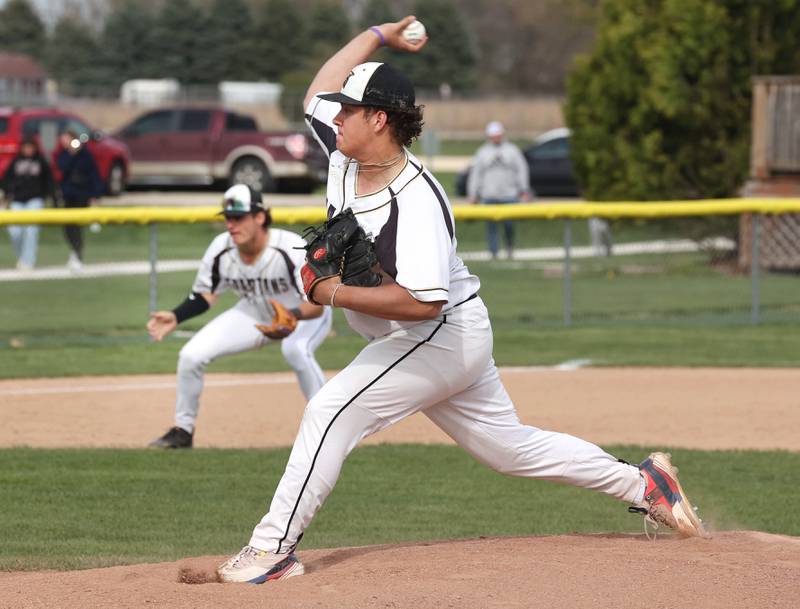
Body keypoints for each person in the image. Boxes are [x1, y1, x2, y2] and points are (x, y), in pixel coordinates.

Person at [217, 16, 708, 585]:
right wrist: (379, 33)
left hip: (436, 335)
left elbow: (424, 303)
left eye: (349, 108)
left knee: (331, 412)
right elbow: (317, 87)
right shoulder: (344, 151)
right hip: (443, 335)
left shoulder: (417, 202)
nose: (336, 112)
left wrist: (331, 292)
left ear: (379, 119)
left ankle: (272, 548)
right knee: (511, 451)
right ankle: (644, 483)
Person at [147, 184, 333, 449]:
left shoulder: (289, 246)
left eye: (238, 217)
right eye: (228, 218)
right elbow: (205, 295)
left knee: (296, 349)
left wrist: (290, 316)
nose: (231, 225)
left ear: (259, 217)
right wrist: (176, 316)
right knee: (190, 355)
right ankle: (183, 431)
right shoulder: (221, 248)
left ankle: (327, 426)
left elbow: (318, 303)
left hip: (305, 314)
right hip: (255, 313)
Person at [467, 120, 530, 260]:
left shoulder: (512, 151)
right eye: (493, 135)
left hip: (509, 196)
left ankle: (509, 248)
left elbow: (522, 170)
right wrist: (473, 194)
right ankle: (493, 253)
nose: (496, 137)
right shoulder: (482, 152)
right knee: (491, 228)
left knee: (509, 226)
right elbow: (476, 175)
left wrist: (523, 189)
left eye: (498, 135)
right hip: (489, 196)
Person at [0, 136, 55, 270]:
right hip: (18, 200)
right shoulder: (16, 161)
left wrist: (50, 197)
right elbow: (6, 181)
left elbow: (49, 181)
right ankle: (21, 257)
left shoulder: (41, 162)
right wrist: (6, 195)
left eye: (31, 147)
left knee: (31, 231)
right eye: (26, 147)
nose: (28, 150)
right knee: (15, 231)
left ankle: (29, 261)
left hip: (35, 200)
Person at [55, 130, 104, 271]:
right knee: (68, 227)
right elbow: (61, 166)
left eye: (67, 139)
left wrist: (96, 195)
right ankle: (74, 252)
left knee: (76, 226)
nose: (64, 142)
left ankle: (77, 254)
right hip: (68, 196)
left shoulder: (85, 155)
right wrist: (71, 152)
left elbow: (93, 175)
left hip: (82, 195)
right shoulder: (65, 154)